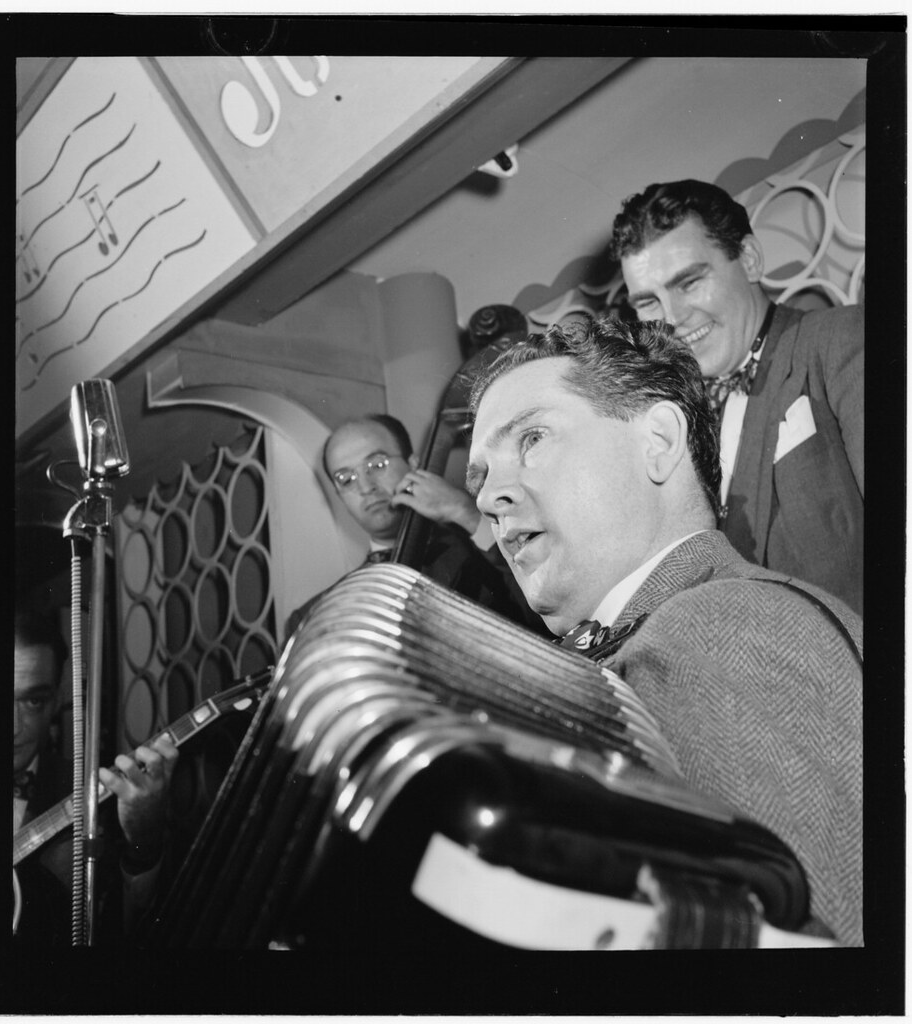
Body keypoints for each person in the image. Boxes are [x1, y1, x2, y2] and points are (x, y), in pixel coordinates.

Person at [465, 313, 863, 946]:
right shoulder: (669, 634)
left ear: (658, 441)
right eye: (479, 476)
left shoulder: (719, 627)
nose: (488, 498)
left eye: (532, 439)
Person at [611, 179, 863, 614]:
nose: (672, 317)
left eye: (688, 282)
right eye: (648, 302)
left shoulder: (844, 338)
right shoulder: (674, 424)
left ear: (749, 259)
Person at [285, 413, 539, 637]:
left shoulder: (478, 549)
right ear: (339, 495)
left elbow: (542, 614)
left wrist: (465, 512)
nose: (366, 487)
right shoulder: (314, 617)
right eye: (346, 479)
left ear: (414, 465)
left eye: (377, 465)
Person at [13, 607, 178, 945]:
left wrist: (143, 844)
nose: (12, 728)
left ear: (58, 699)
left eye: (33, 701)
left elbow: (132, 933)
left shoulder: (89, 795)